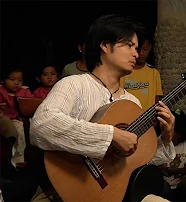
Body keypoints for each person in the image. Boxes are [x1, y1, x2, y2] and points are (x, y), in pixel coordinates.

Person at [29, 14, 175, 202]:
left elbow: (136, 161)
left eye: (137, 48)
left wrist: (166, 137)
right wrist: (111, 135)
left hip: (111, 193)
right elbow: (42, 125)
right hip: (63, 191)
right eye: (129, 45)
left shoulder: (133, 103)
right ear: (105, 45)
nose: (136, 54)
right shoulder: (74, 84)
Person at [120, 31, 163, 111]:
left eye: (145, 49)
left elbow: (158, 100)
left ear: (150, 48)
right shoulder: (123, 72)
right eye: (138, 50)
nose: (141, 53)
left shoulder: (154, 73)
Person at [0, 68, 33, 169]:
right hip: (9, 119)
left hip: (24, 118)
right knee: (19, 130)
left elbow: (31, 103)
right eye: (12, 79)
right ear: (3, 80)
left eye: (20, 80)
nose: (16, 83)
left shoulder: (25, 91)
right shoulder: (1, 91)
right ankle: (18, 159)